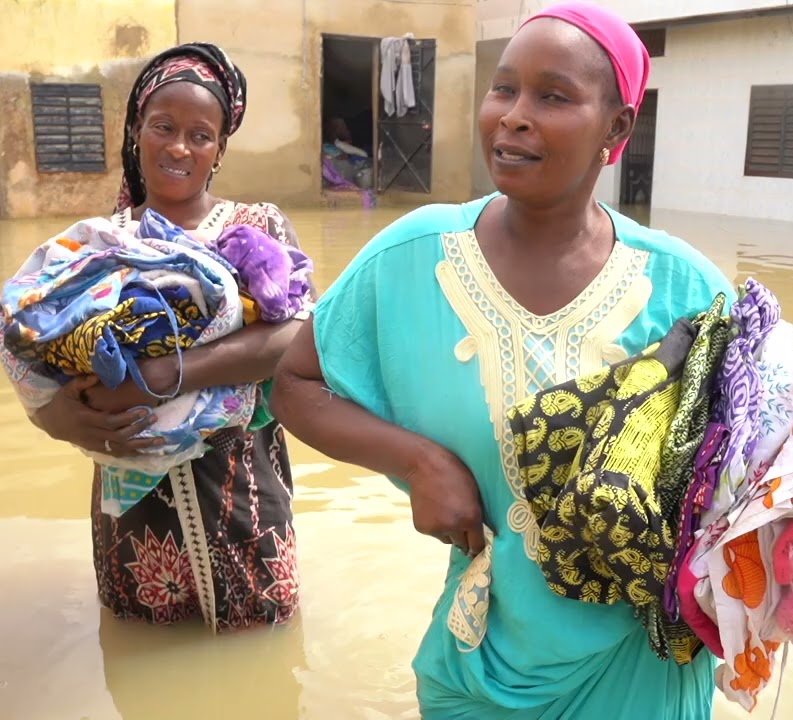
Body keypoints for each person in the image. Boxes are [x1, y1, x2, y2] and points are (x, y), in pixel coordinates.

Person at [271, 3, 734, 718]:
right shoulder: (411, 258)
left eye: (552, 96)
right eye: (504, 89)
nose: (513, 116)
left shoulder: (691, 292)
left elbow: (753, 482)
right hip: (477, 665)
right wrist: (421, 461)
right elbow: (296, 383)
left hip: (639, 675)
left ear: (617, 128)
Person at [28, 43, 308, 632]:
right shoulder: (95, 245)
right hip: (134, 520)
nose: (180, 147)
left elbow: (298, 339)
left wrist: (160, 377)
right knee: (141, 657)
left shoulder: (255, 227)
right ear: (137, 132)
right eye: (163, 127)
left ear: (220, 149)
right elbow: (31, 348)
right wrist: (56, 419)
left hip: (244, 502)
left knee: (261, 659)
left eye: (200, 135)